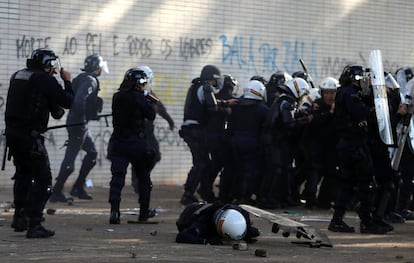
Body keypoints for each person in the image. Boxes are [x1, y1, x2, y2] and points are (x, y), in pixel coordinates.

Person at [5, 48, 74, 237]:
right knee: (44, 180)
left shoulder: (19, 75)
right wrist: (67, 81)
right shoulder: (44, 79)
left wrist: (52, 105)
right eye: (53, 66)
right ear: (48, 65)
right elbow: (68, 101)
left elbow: (48, 104)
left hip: (13, 134)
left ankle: (20, 217)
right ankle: (34, 224)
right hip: (30, 137)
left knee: (23, 175)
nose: (54, 69)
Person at [328, 65, 387, 234]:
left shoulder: (343, 93)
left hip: (346, 144)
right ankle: (367, 223)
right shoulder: (351, 94)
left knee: (347, 184)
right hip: (355, 145)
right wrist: (376, 108)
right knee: (366, 184)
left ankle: (337, 220)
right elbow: (362, 113)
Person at [50, 54, 108, 202]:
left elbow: (80, 100)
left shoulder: (82, 77)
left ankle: (77, 187)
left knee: (92, 154)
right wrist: (82, 118)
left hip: (78, 122)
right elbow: (79, 100)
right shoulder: (90, 81)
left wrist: (90, 114)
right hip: (78, 124)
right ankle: (56, 191)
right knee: (70, 158)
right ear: (97, 68)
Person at [178, 65, 236, 205]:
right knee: (201, 163)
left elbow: (210, 102)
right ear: (212, 78)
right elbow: (212, 108)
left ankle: (194, 192)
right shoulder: (206, 87)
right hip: (195, 130)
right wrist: (226, 110)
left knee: (202, 162)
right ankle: (188, 193)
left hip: (190, 129)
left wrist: (225, 102)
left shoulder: (195, 87)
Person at [107, 68, 157, 224]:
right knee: (143, 178)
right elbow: (151, 115)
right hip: (136, 143)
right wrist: (148, 100)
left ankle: (114, 211)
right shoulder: (139, 97)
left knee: (117, 178)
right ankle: (143, 213)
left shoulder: (117, 97)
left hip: (118, 142)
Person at [131, 65, 175, 194]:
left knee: (155, 155)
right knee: (138, 157)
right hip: (136, 131)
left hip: (148, 132)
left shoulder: (149, 94)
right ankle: (137, 181)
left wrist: (169, 121)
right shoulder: (130, 95)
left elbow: (159, 107)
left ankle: (140, 178)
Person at [226, 80, 269, 204]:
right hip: (252, 142)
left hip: (235, 141)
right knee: (250, 171)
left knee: (238, 169)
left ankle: (235, 195)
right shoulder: (263, 109)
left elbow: (230, 125)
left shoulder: (237, 106)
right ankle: (245, 196)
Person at [306, 77, 339, 209]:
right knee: (314, 172)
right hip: (317, 144)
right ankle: (310, 199)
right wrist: (330, 113)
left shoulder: (339, 106)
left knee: (331, 173)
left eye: (332, 93)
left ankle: (324, 200)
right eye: (327, 92)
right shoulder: (317, 105)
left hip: (332, 146)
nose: (329, 96)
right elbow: (315, 122)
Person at [176, 202, 260, 245]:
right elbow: (181, 236)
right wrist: (206, 241)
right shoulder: (203, 223)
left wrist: (247, 230)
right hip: (188, 213)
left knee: (252, 232)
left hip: (209, 207)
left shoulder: (237, 212)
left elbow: (244, 212)